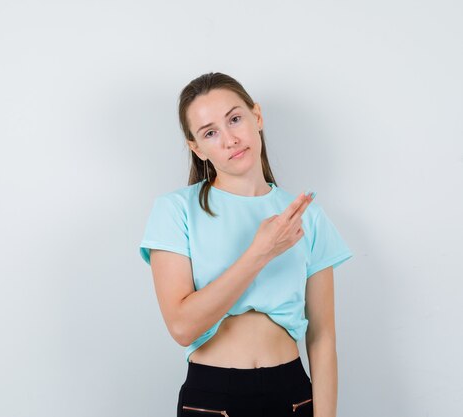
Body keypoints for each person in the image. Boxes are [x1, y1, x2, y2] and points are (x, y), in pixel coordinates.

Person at [138, 72, 354, 417]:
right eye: (210, 132)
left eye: (235, 119)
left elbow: (323, 336)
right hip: (210, 396)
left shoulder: (304, 215)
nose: (230, 139)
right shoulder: (175, 210)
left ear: (257, 117)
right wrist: (260, 252)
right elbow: (182, 327)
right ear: (198, 147)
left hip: (292, 395)